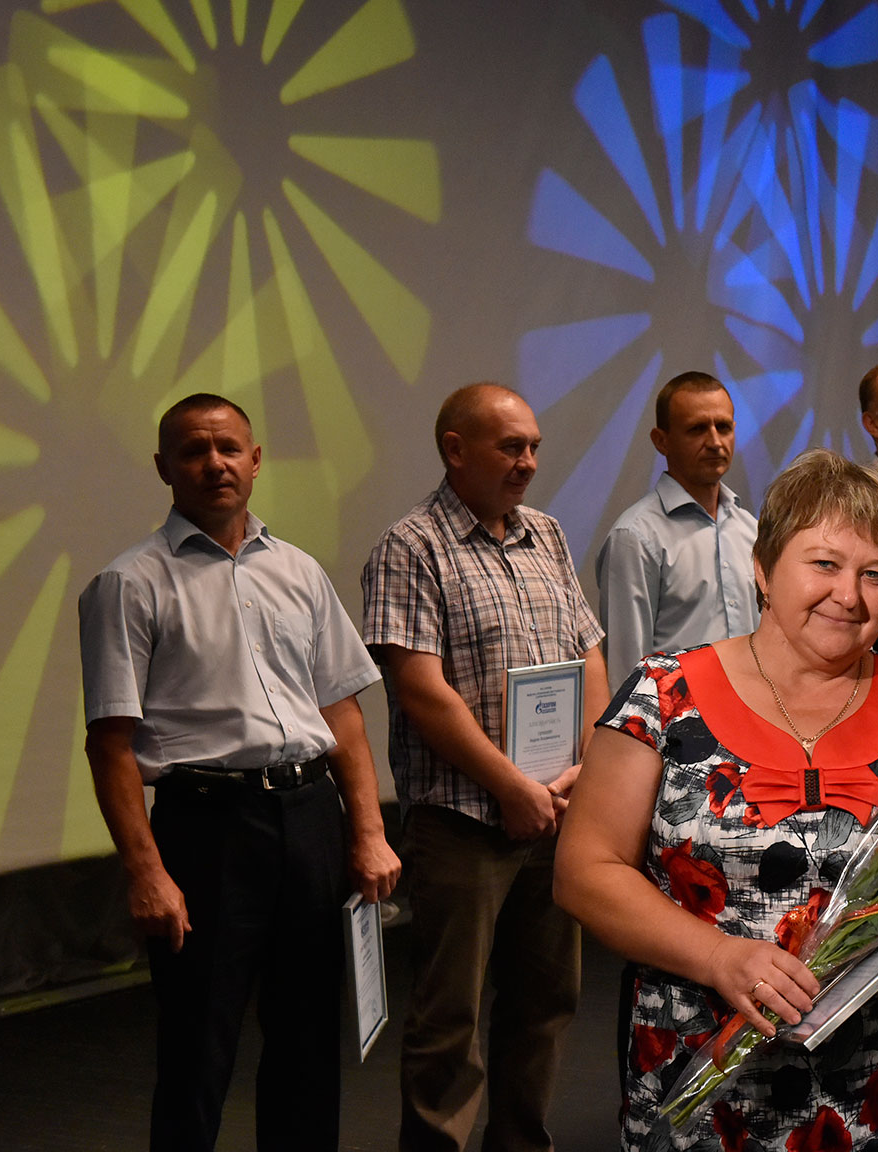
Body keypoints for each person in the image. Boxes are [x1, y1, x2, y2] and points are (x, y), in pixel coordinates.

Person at [555, 450, 878, 1151]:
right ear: (762, 568)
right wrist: (719, 957)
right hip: (703, 1096)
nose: (848, 595)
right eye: (824, 564)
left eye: (874, 574)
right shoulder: (664, 696)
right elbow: (585, 871)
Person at [77, 393, 400, 1152]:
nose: (214, 463)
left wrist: (368, 831)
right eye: (194, 450)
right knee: (198, 1047)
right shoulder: (128, 583)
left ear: (255, 460)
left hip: (309, 817)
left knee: (309, 1043)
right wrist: (145, 873)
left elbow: (342, 712)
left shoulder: (298, 569)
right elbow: (110, 744)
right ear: (164, 467)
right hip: (206, 828)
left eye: (229, 448)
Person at [361, 382, 610, 1152]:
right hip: (463, 822)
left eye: (533, 446)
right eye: (510, 447)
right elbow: (420, 691)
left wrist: (586, 766)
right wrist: (511, 786)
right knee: (450, 1019)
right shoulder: (411, 547)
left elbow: (589, 654)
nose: (528, 461)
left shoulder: (548, 535)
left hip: (556, 813)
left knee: (546, 1003)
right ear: (455, 450)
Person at [596, 370, 759, 691]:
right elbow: (626, 670)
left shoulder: (750, 529)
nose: (715, 442)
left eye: (723, 427)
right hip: (674, 719)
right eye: (697, 429)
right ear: (662, 441)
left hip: (749, 712)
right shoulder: (635, 537)